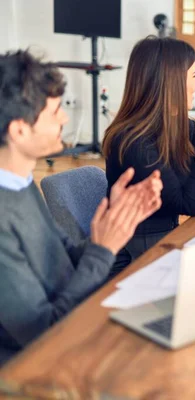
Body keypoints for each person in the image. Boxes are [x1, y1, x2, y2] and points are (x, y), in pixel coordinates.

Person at [0, 50, 163, 365]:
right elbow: (43, 331)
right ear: (19, 130)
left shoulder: (20, 183)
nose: (64, 118)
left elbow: (64, 260)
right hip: (39, 364)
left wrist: (115, 224)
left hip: (76, 328)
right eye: (55, 111)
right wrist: (102, 251)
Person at [103, 36, 195, 274]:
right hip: (139, 251)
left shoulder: (181, 126)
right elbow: (188, 203)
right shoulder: (133, 141)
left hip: (167, 235)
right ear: (172, 82)